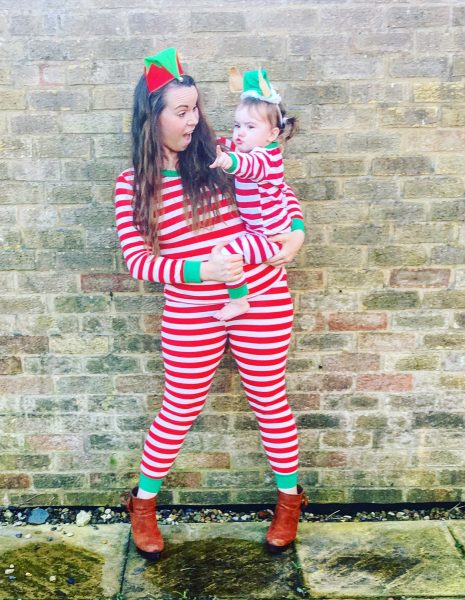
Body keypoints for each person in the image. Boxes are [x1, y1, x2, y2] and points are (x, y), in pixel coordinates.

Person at [115, 48, 308, 561]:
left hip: (262, 294)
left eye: (196, 107)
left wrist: (296, 231)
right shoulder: (133, 183)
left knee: (269, 397)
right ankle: (142, 506)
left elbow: (275, 184)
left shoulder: (221, 154)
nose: (193, 119)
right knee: (180, 405)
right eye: (181, 111)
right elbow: (138, 261)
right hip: (191, 308)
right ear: (151, 116)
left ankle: (289, 503)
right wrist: (203, 271)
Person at [208, 67, 304, 321]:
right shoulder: (256, 149)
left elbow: (248, 166)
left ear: (272, 134)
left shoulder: (265, 159)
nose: (240, 133)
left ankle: (239, 301)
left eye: (250, 127)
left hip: (268, 236)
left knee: (227, 255)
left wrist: (227, 161)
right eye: (237, 125)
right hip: (260, 231)